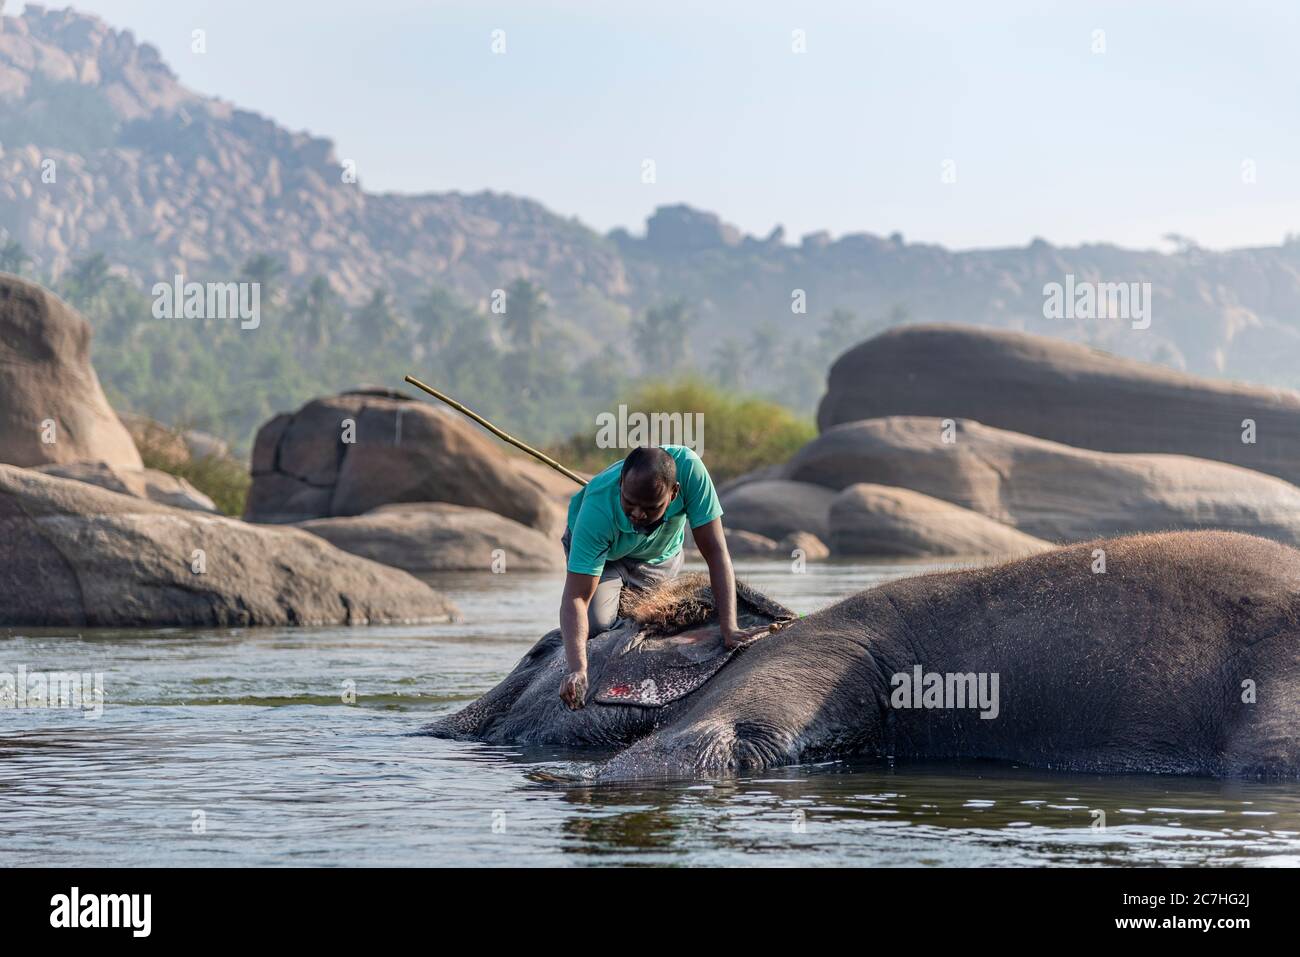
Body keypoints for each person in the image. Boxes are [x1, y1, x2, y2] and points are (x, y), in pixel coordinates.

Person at [557, 445, 764, 709]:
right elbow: (576, 596)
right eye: (629, 504)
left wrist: (730, 628)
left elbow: (715, 551)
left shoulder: (691, 472)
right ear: (621, 483)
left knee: (654, 619)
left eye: (650, 508)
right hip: (606, 559)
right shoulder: (596, 511)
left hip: (658, 556)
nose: (637, 515)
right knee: (598, 622)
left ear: (674, 492)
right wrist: (578, 668)